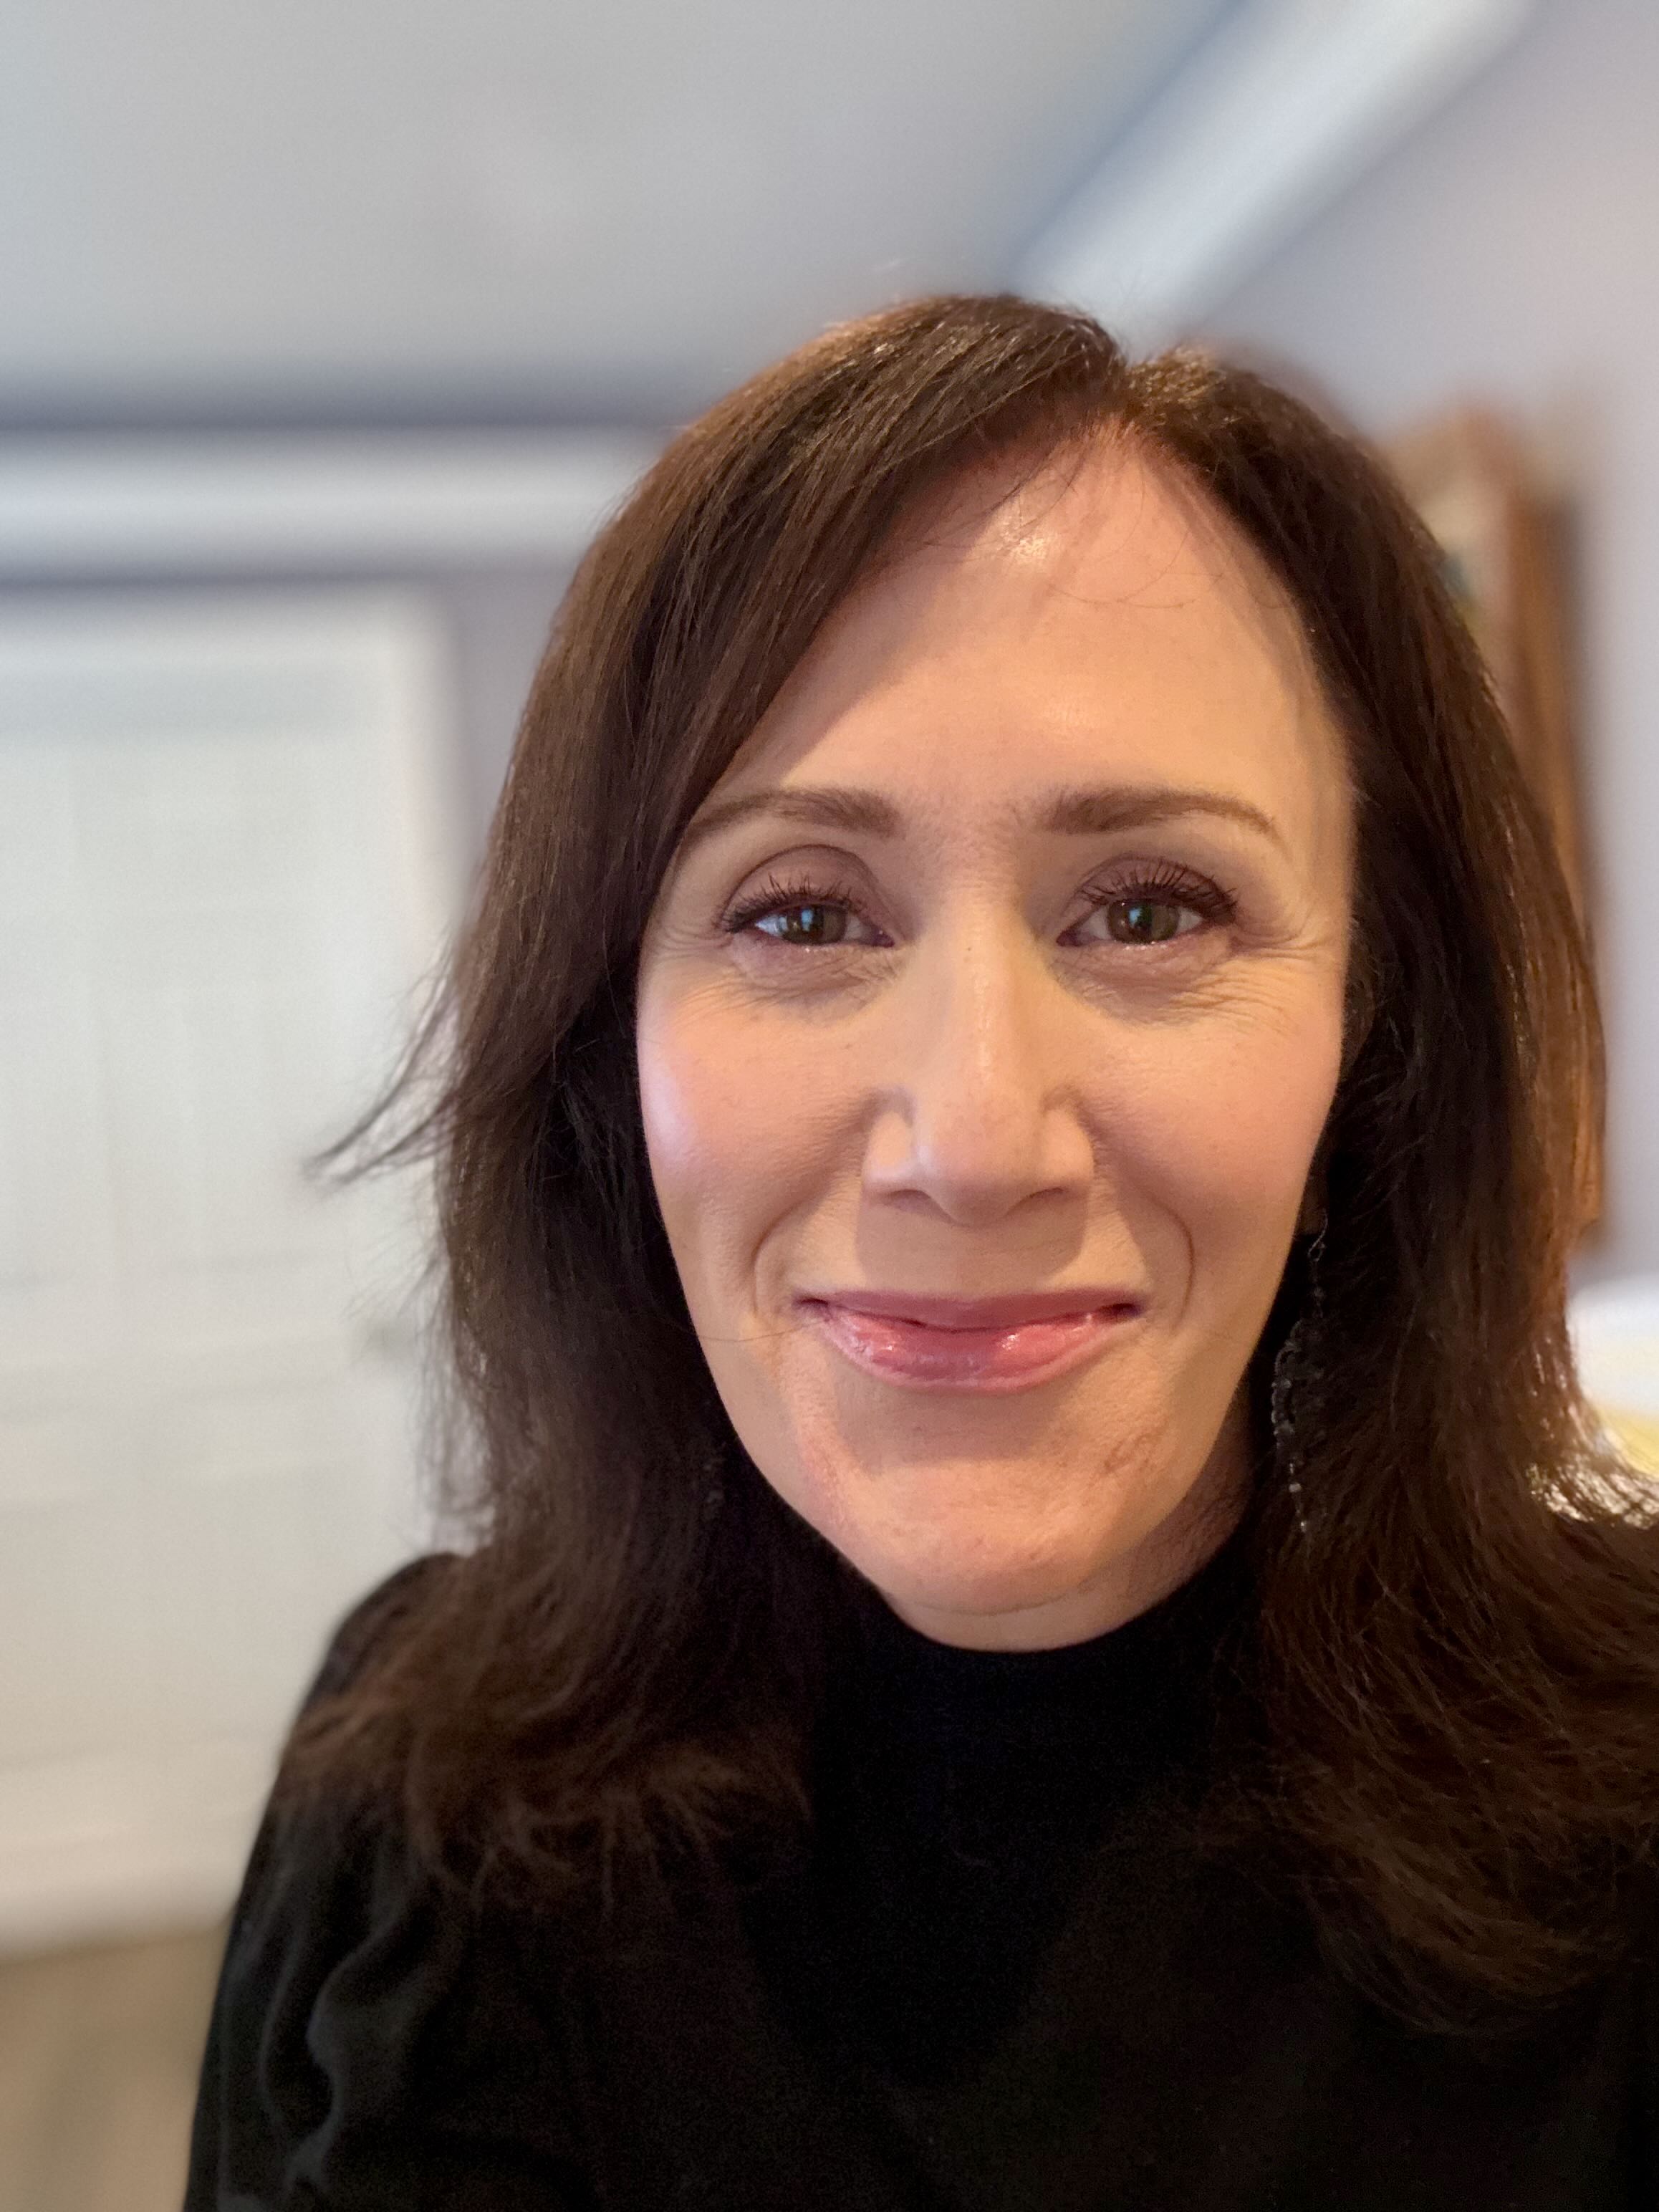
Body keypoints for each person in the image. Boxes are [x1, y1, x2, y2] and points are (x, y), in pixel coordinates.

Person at [186, 294, 1659, 2210]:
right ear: (609, 1051)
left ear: (1365, 1041)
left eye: (1151, 909)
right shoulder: (411, 1789)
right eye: (801, 916)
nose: (971, 1142)